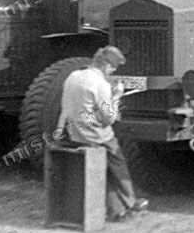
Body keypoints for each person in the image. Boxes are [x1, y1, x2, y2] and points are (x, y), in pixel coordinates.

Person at [55, 46, 148, 220]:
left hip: (72, 132)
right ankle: (130, 201)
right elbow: (109, 119)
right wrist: (116, 96)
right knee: (117, 159)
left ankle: (118, 210)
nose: (112, 72)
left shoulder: (73, 76)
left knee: (107, 165)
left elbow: (67, 107)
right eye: (113, 69)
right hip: (93, 135)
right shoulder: (100, 83)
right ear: (106, 66)